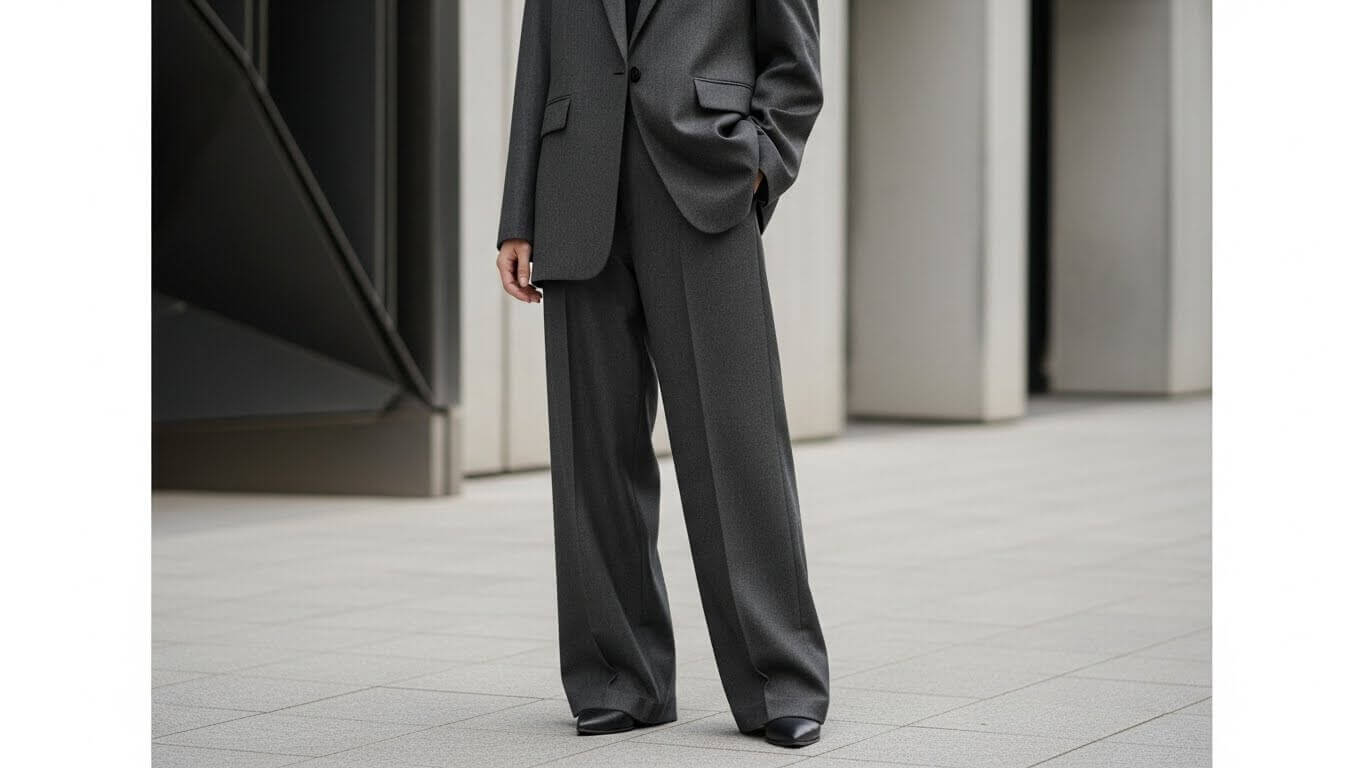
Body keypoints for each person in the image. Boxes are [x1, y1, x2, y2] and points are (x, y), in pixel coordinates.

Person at [494, 0, 829, 749]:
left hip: (705, 186)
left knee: (735, 446)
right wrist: (518, 216)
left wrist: (759, 165)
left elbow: (794, 66)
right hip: (575, 194)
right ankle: (619, 680)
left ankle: (779, 683)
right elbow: (536, 65)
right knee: (593, 451)